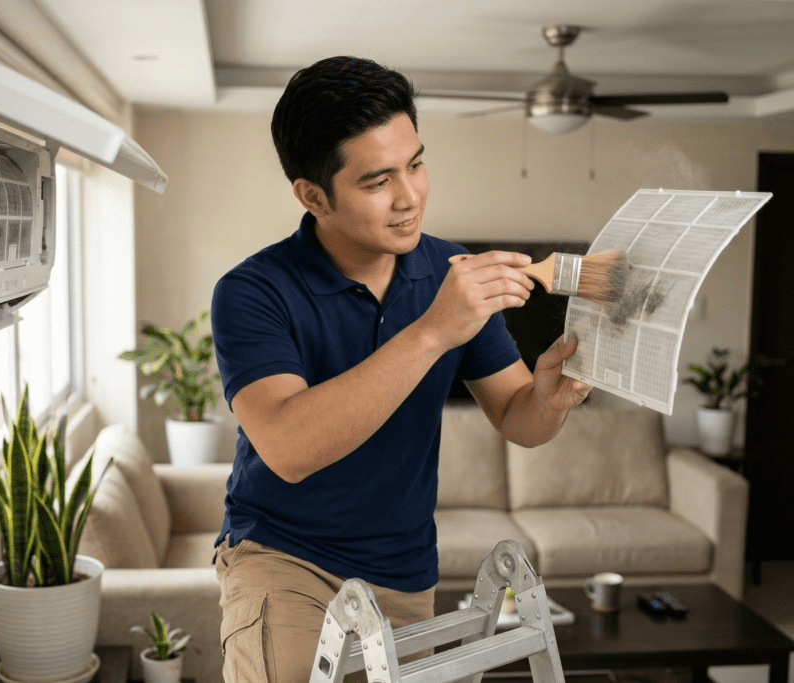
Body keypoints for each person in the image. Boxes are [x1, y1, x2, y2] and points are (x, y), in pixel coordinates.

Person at [210, 55, 592, 683]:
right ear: (313, 195)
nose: (411, 197)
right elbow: (287, 447)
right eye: (377, 181)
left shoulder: (449, 271)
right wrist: (435, 329)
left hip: (407, 571)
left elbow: (518, 420)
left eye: (415, 164)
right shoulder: (254, 290)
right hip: (284, 560)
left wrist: (548, 397)